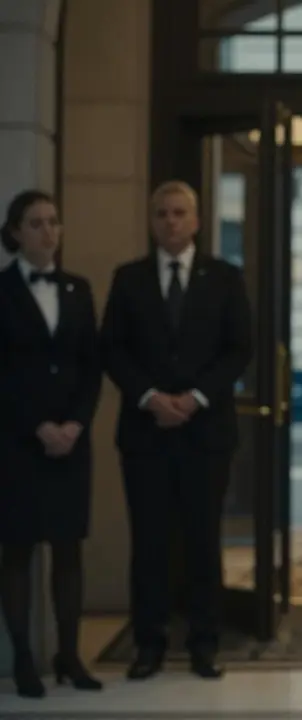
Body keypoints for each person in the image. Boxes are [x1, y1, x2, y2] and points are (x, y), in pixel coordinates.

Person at [100, 180, 252, 681]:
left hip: (205, 434)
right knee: (149, 544)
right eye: (162, 213)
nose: (171, 221)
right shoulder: (129, 278)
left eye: (180, 213)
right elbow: (112, 349)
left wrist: (195, 397)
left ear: (197, 221)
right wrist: (150, 397)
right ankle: (149, 643)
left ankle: (205, 643)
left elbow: (239, 348)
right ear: (152, 222)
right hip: (145, 434)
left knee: (203, 543)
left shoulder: (225, 277)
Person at [0, 190, 103, 698]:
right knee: (18, 549)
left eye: (53, 222)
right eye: (36, 223)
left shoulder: (78, 289)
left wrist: (76, 425)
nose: (48, 231)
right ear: (15, 232)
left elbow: (90, 366)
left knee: (68, 549)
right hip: (18, 442)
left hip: (70, 441)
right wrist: (37, 425)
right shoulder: (1, 290)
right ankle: (23, 657)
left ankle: (69, 655)